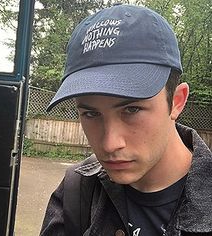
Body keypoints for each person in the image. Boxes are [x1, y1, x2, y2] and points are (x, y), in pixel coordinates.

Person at [40, 4, 212, 236]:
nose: (110, 144)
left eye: (131, 109)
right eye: (91, 114)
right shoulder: (77, 193)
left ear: (177, 102)